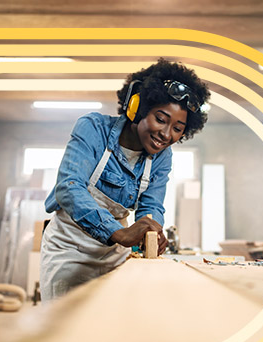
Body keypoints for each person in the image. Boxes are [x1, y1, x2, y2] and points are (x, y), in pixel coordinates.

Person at [40, 58, 210, 301]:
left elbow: (151, 206)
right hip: (69, 249)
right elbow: (69, 188)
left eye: (177, 128)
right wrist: (118, 233)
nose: (166, 134)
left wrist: (151, 231)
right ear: (137, 108)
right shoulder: (93, 128)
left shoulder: (162, 156)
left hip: (115, 256)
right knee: (63, 331)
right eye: (160, 119)